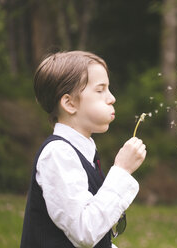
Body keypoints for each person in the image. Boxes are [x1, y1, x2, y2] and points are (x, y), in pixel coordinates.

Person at [20, 51, 146, 248]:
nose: (111, 98)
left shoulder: (83, 152)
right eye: (100, 90)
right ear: (70, 103)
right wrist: (122, 170)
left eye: (109, 89)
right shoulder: (57, 154)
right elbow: (85, 230)